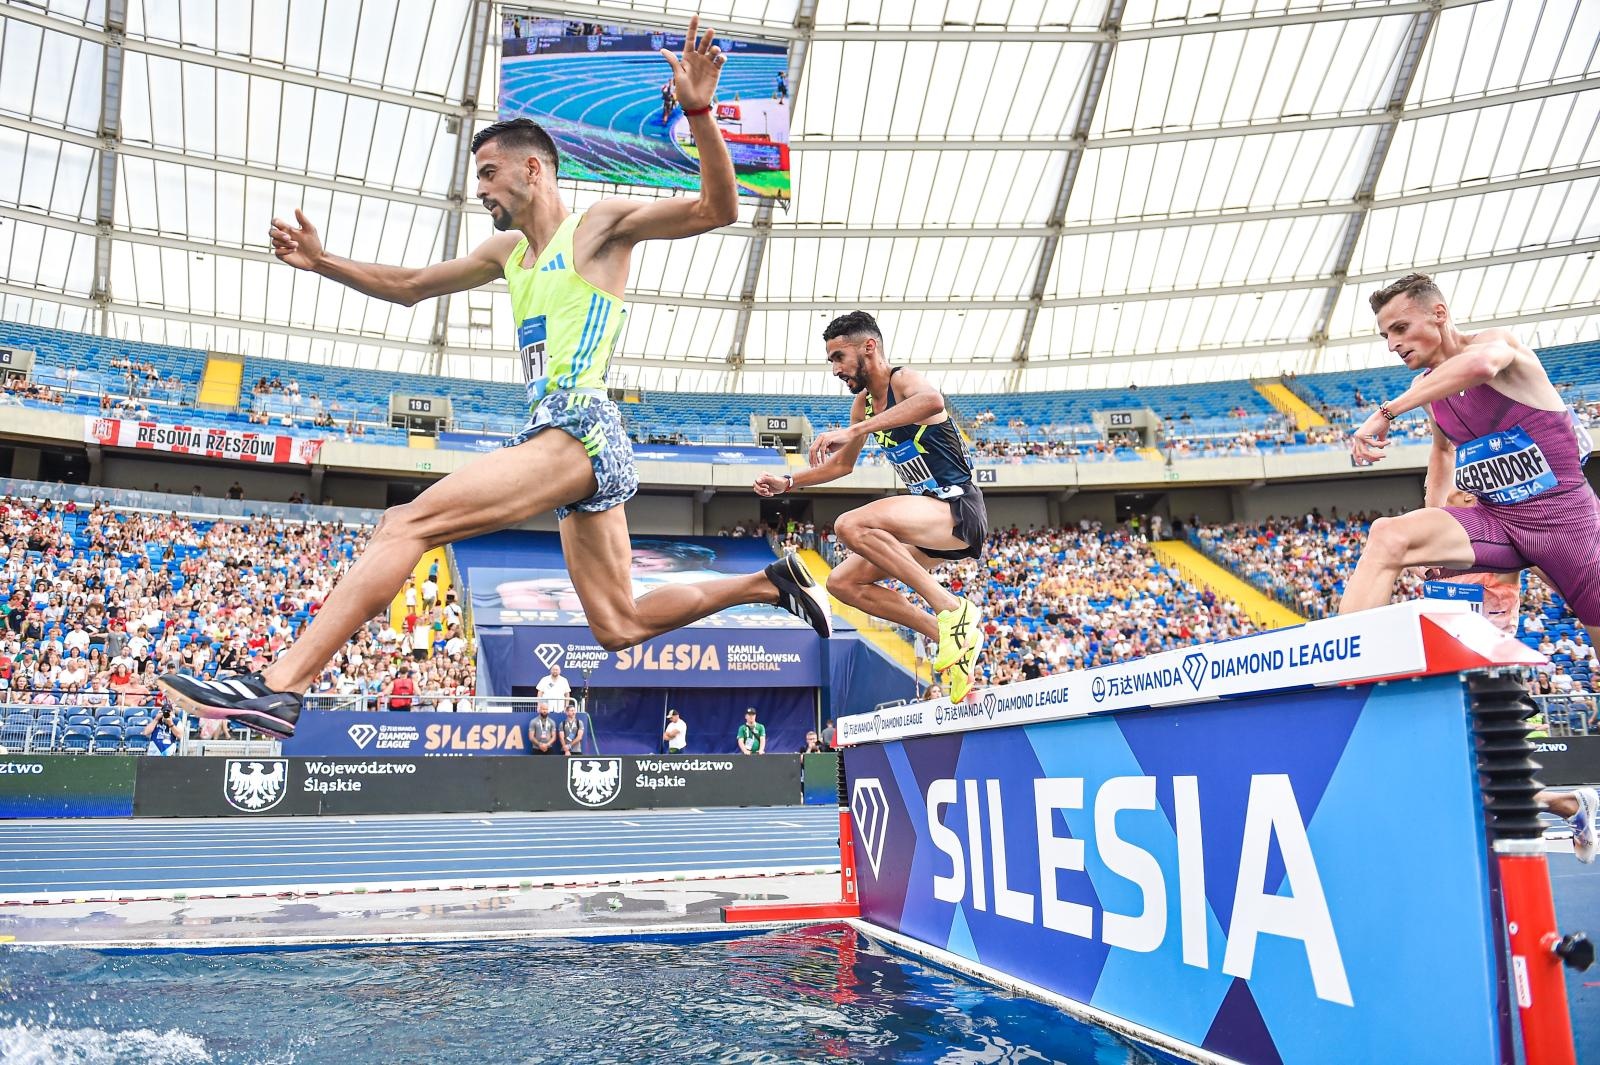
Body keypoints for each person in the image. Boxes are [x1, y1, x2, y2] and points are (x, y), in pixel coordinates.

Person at [156, 20, 829, 739]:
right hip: (564, 440)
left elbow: (716, 209)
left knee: (406, 522)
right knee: (619, 622)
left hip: (579, 430)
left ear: (532, 170)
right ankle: (769, 582)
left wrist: (698, 111)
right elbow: (412, 284)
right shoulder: (508, 252)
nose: (479, 190)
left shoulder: (596, 227)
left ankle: (280, 684)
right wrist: (325, 263)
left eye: (487, 173)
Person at [1341, 274, 1600, 661]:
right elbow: (1442, 453)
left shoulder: (1497, 345)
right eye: (1386, 336)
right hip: (1496, 520)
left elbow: (1478, 366)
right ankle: (1348, 670)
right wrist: (1433, 523)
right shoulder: (1431, 390)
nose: (1394, 344)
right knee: (1388, 535)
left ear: (1439, 314)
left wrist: (1387, 412)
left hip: (1565, 524)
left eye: (1400, 328)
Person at [754, 311, 986, 701]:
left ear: (869, 347)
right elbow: (842, 466)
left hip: (956, 509)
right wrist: (789, 482)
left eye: (839, 357)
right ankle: (949, 634)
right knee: (842, 583)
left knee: (850, 526)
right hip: (925, 522)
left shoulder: (902, 380)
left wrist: (856, 429)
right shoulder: (862, 404)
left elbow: (932, 401)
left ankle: (950, 607)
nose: (835, 369)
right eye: (831, 360)